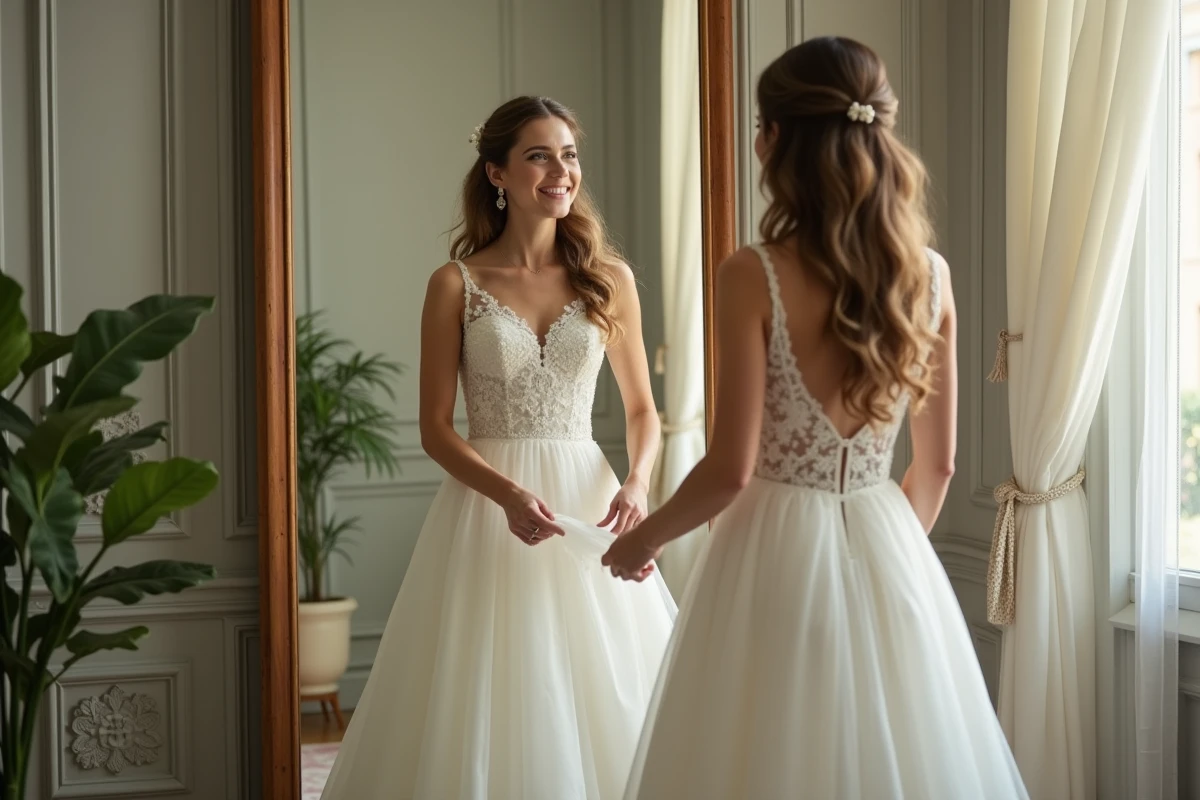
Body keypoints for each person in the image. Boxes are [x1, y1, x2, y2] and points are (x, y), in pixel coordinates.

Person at [603, 38, 1029, 799]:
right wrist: (879, 562)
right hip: (887, 538)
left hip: (770, 552)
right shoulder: (929, 276)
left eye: (762, 128)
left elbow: (731, 470)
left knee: (766, 753)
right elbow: (938, 467)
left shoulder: (753, 273)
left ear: (779, 141)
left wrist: (644, 537)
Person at [321, 95, 676, 800]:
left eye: (568, 154)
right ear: (498, 173)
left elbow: (644, 410)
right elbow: (435, 427)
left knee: (601, 686)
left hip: (588, 500)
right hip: (489, 503)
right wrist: (507, 493)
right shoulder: (456, 283)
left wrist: (636, 486)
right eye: (539, 155)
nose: (560, 171)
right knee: (490, 686)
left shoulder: (610, 281)